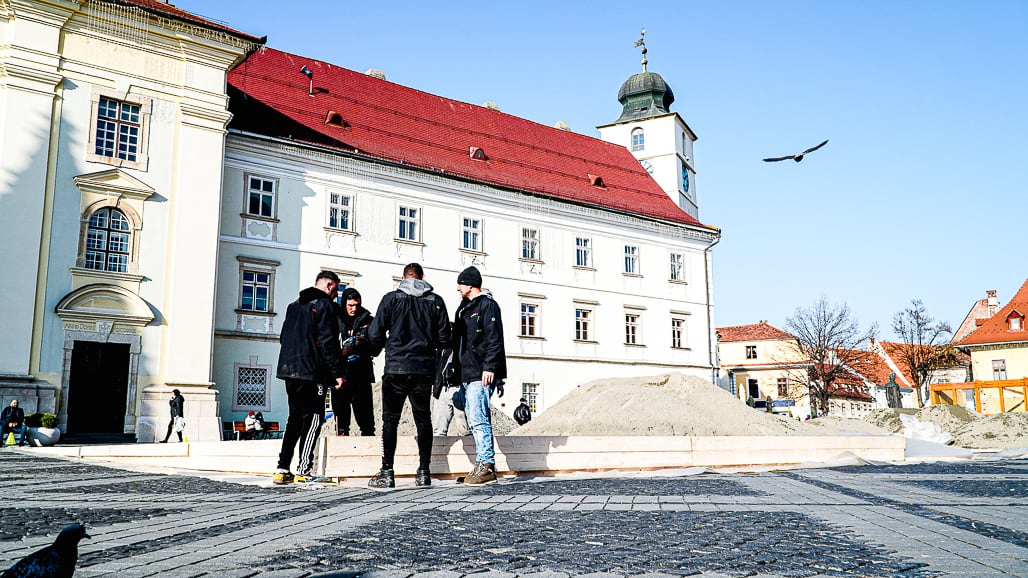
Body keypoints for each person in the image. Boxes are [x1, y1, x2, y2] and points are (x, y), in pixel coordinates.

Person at [366, 263, 450, 489]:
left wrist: (381, 347)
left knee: (390, 421)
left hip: (396, 368)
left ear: (403, 278)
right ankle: (424, 472)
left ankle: (387, 471)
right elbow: (444, 339)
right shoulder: (436, 301)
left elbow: (374, 333)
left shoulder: (391, 299)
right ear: (422, 277)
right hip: (423, 369)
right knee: (423, 419)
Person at [274, 270, 347, 485]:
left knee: (294, 418)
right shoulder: (325, 306)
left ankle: (282, 468)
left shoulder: (294, 306)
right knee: (314, 417)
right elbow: (328, 343)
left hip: (289, 370)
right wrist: (337, 374)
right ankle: (304, 469)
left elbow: (283, 337)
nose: (336, 295)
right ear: (330, 286)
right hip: (311, 371)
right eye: (337, 290)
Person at [452, 266, 507, 486]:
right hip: (467, 372)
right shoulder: (464, 308)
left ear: (471, 284)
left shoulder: (487, 305)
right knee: (473, 419)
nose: (458, 288)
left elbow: (494, 338)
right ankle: (481, 462)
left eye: (461, 284)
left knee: (478, 418)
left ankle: (487, 465)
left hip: (481, 372)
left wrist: (491, 368)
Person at [331, 287, 376, 437]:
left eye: (356, 305)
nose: (354, 308)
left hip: (361, 376)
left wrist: (364, 344)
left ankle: (369, 452)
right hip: (340, 375)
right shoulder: (334, 319)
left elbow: (378, 344)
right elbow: (326, 346)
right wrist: (341, 352)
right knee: (341, 424)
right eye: (350, 305)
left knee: (367, 422)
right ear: (344, 303)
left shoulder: (368, 319)